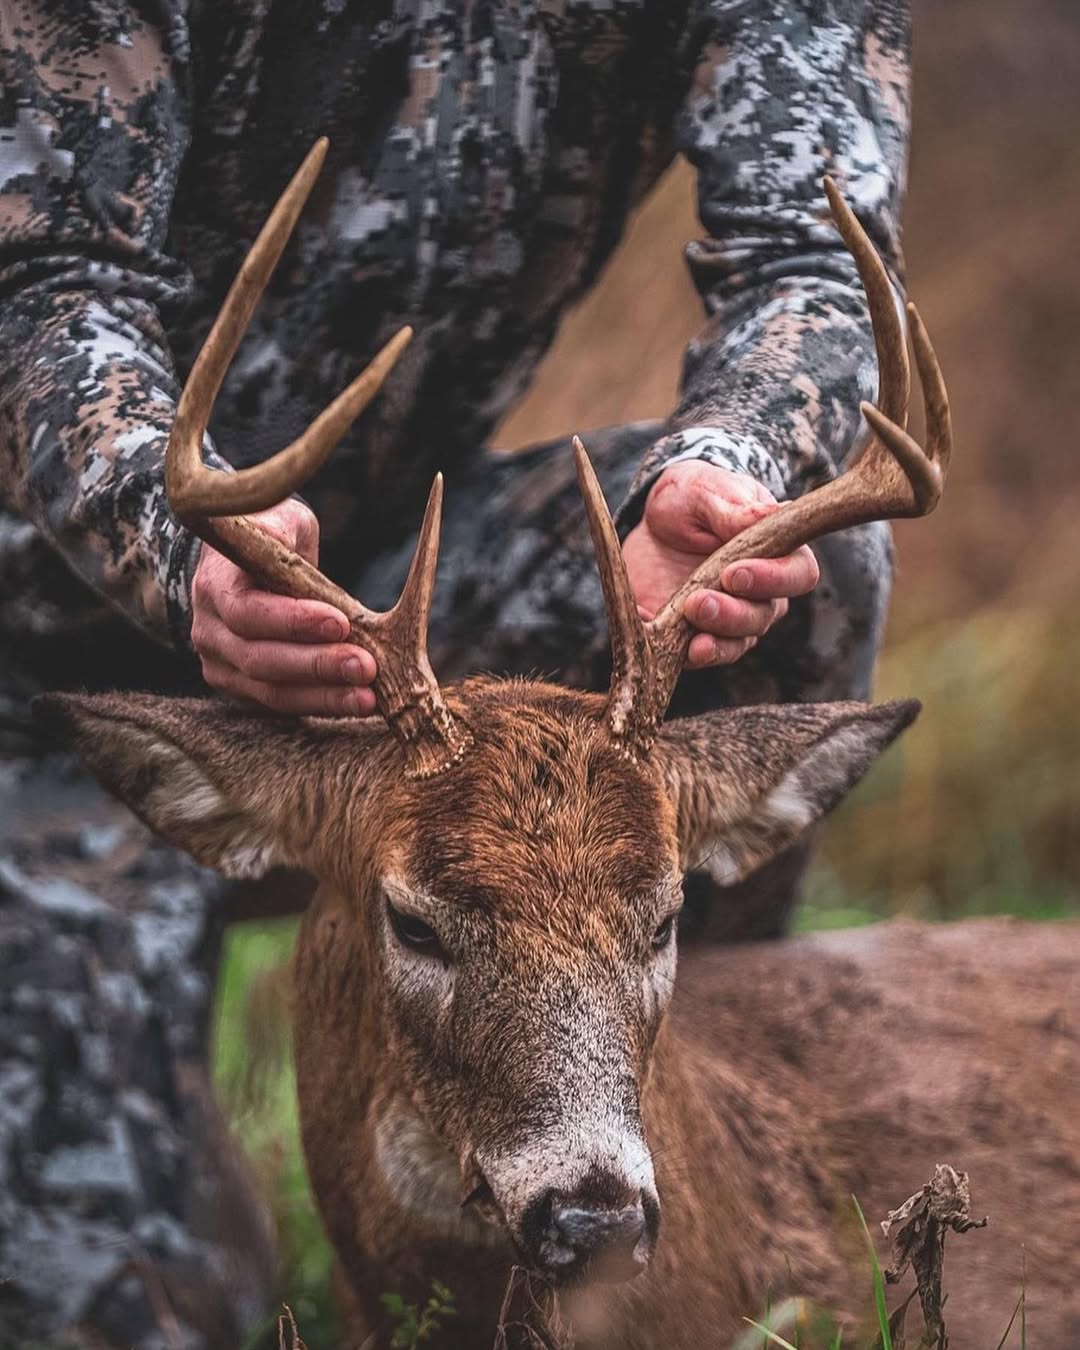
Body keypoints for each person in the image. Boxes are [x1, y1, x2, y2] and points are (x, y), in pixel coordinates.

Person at [0, 1, 910, 1344]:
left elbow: (814, 261)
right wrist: (171, 537)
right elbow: (42, 277)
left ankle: (671, 1155)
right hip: (39, 662)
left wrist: (726, 472)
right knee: (116, 1314)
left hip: (387, 608)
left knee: (808, 566)